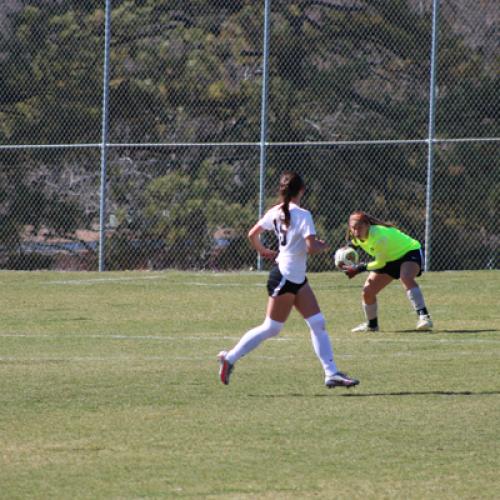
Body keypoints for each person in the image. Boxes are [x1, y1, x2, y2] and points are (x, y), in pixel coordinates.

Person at [217, 171, 359, 389]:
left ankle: (331, 373)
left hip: (296, 277)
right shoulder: (303, 214)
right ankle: (230, 359)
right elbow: (311, 247)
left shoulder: (275, 211)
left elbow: (252, 234)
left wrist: (262, 250)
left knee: (318, 323)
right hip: (284, 276)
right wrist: (326, 246)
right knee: (271, 327)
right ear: (301, 190)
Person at [341, 211, 433, 332]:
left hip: (408, 252)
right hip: (387, 258)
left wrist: (359, 268)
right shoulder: (355, 236)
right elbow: (351, 247)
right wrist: (343, 257)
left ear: (368, 225)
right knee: (367, 292)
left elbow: (380, 263)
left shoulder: (378, 236)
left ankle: (424, 317)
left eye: (360, 227)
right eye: (354, 228)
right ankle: (372, 325)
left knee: (405, 277)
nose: (357, 231)